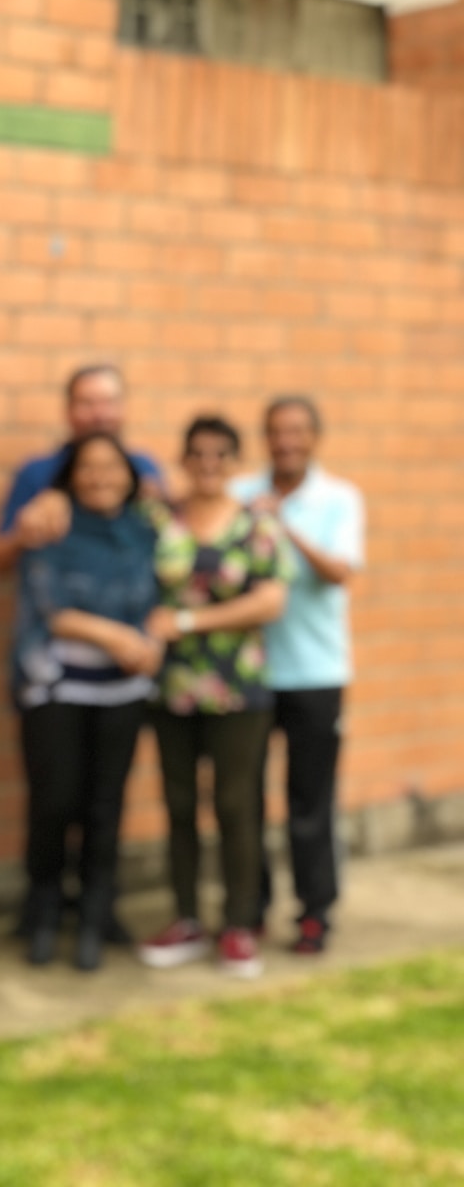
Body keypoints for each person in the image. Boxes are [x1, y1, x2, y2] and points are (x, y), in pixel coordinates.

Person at [138, 417, 290, 980]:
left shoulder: (257, 524)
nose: (208, 464)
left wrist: (186, 619)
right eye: (197, 453)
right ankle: (184, 917)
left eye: (220, 455)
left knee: (234, 805)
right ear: (183, 458)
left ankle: (239, 925)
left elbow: (270, 601)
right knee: (179, 805)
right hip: (172, 690)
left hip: (238, 691)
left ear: (235, 462)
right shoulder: (160, 520)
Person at [11, 434, 161, 972]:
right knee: (55, 804)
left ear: (131, 474)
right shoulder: (52, 522)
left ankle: (97, 917)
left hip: (123, 692)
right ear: (71, 475)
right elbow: (52, 607)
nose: (101, 476)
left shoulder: (148, 529)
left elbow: (166, 595)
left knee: (106, 806)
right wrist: (116, 637)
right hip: (58, 687)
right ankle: (44, 912)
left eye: (112, 467)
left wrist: (150, 641)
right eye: (89, 467)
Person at [232, 396, 364, 955]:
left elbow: (338, 574)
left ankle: (315, 912)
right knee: (246, 800)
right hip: (252, 673)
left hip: (316, 673)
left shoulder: (338, 498)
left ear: (314, 437)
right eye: (276, 432)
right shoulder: (241, 494)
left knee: (311, 800)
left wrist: (282, 528)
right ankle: (251, 908)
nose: (286, 441)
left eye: (296, 432)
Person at [0, 364, 163, 576]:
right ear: (68, 410)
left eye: (109, 402)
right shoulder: (37, 473)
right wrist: (25, 532)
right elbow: (0, 558)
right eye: (87, 403)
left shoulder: (143, 468)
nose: (99, 415)